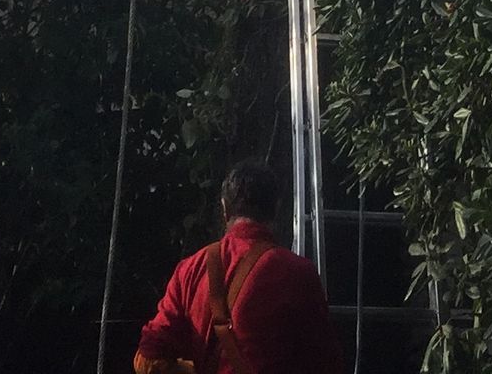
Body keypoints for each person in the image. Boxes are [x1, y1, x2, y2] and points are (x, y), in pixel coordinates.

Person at [134, 159, 342, 374]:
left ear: (224, 208)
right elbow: (326, 363)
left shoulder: (190, 269)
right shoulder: (297, 273)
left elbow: (149, 359)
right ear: (276, 209)